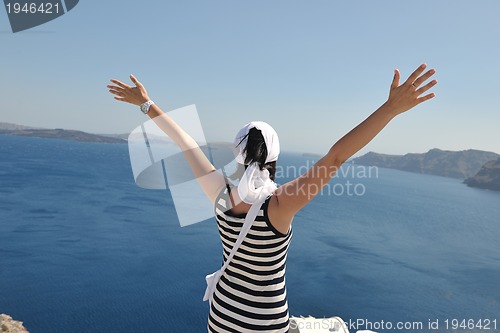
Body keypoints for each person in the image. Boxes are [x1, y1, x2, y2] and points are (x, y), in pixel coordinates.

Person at [107, 64, 437, 332]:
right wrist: (390, 109)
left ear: (238, 156)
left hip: (220, 319)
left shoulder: (220, 195)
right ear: (275, 158)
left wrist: (145, 104)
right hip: (264, 326)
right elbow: (336, 156)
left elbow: (185, 143)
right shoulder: (280, 205)